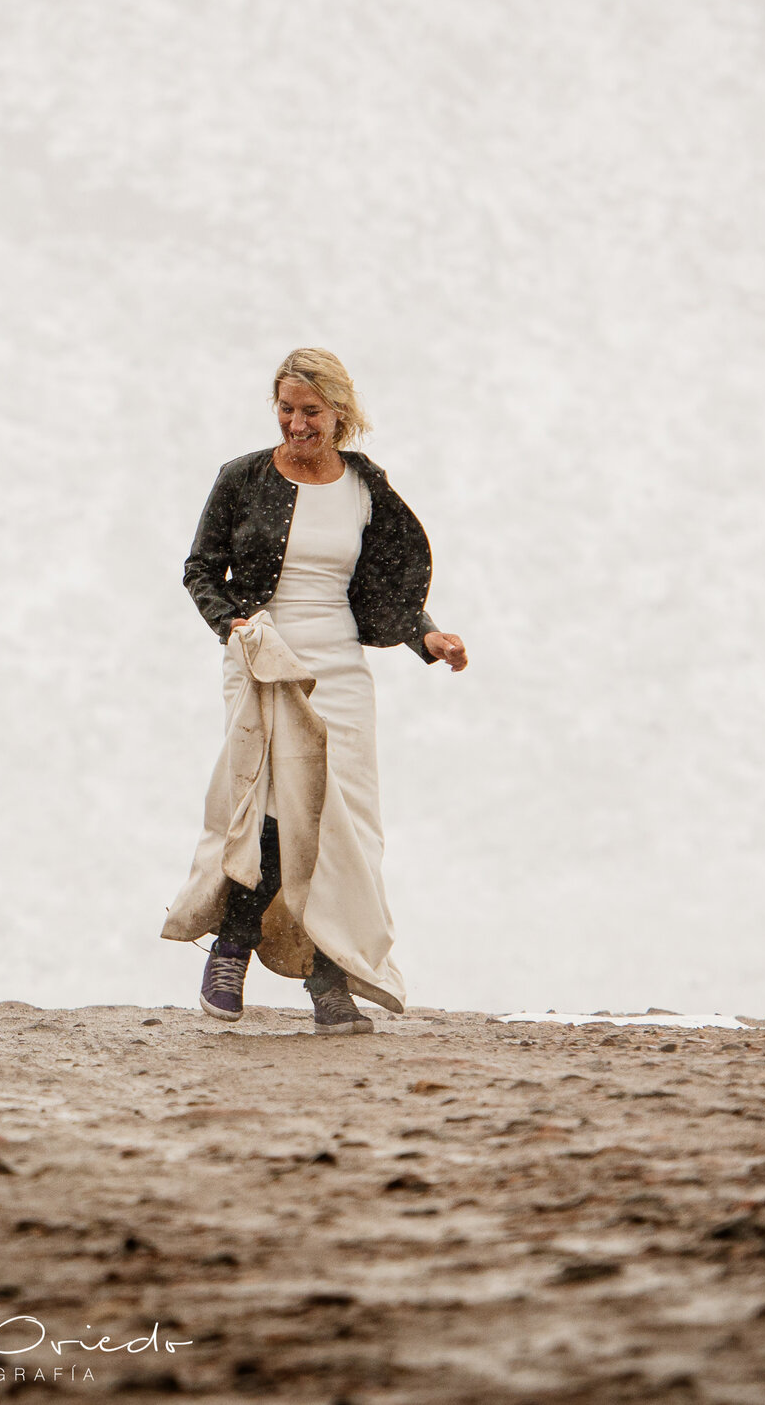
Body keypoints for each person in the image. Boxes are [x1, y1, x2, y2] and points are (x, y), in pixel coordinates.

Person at [172, 348, 466, 1034]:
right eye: (286, 408)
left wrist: (427, 636)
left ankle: (330, 980)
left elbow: (391, 581)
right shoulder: (242, 477)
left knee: (347, 823)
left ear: (339, 412)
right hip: (265, 659)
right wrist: (233, 624)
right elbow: (199, 570)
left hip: (339, 666)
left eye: (311, 411)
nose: (297, 423)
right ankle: (233, 944)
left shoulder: (365, 485)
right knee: (271, 809)